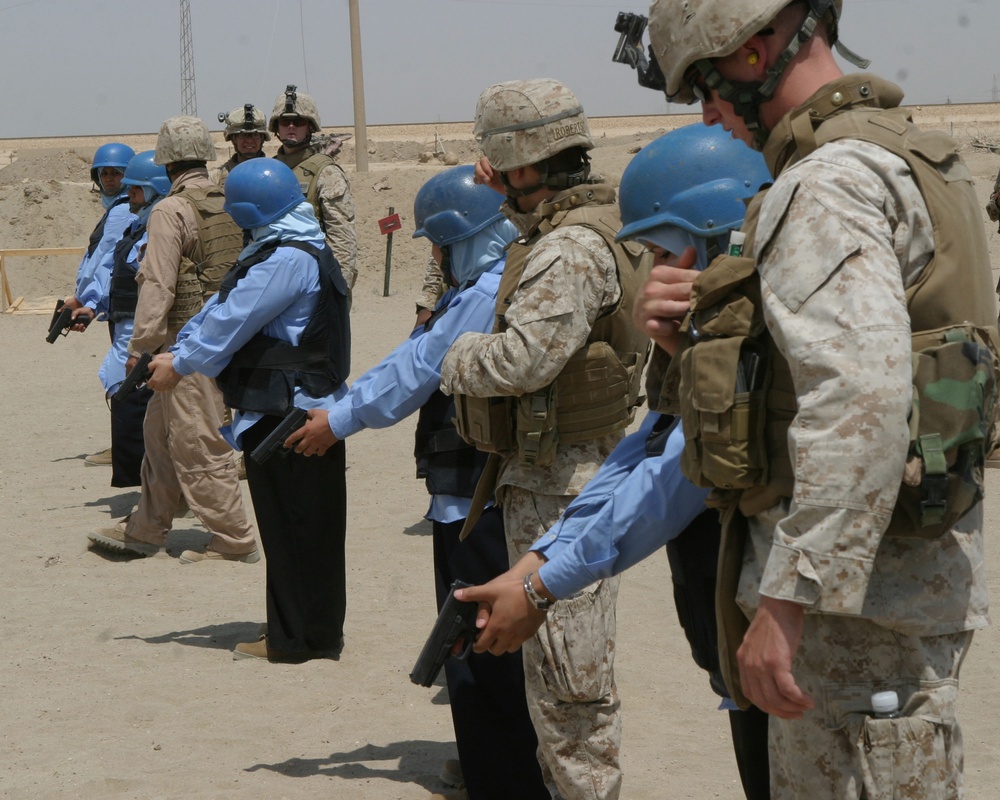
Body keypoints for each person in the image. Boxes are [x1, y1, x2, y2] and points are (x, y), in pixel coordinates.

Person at [629, 1, 996, 797]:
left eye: (708, 84)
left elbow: (857, 400)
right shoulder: (913, 156)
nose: (708, 113)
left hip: (849, 620)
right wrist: (686, 351)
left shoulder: (825, 182)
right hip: (900, 587)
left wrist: (788, 600)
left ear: (757, 51)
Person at [457, 124, 774, 800]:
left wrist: (543, 584)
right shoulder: (720, 332)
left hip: (792, 633)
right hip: (743, 623)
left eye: (663, 250)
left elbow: (666, 481)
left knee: (573, 694)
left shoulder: (767, 333)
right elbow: (651, 444)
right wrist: (544, 559)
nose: (654, 272)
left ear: (715, 232)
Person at [285, 165, 548, 800]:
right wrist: (345, 401)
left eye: (441, 242)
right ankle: (495, 760)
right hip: (469, 486)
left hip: (479, 494)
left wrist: (341, 420)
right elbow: (414, 355)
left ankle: (503, 775)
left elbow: (422, 370)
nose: (435, 255)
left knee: (479, 641)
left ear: (471, 236)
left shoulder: (488, 290)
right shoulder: (484, 283)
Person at [439, 78, 649, 800]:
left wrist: (453, 355)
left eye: (500, 166)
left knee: (570, 694)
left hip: (566, 483)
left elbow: (523, 359)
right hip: (553, 474)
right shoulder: (581, 231)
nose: (494, 181)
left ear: (527, 167)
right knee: (559, 689)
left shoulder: (568, 250)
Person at [142, 159, 351, 662]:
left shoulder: (285, 258)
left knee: (292, 531)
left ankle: (293, 641)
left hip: (286, 414)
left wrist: (182, 360)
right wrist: (182, 347)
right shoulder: (296, 247)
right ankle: (315, 634)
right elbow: (225, 308)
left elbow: (235, 318)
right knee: (312, 531)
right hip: (300, 407)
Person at [88, 116, 258, 565]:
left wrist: (140, 350)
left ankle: (233, 537)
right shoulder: (228, 198)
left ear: (164, 163)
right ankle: (147, 527)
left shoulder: (170, 210)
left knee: (195, 438)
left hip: (188, 345)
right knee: (159, 435)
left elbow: (158, 287)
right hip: (223, 335)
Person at [85, 150, 171, 488]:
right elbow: (106, 264)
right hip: (127, 322)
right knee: (128, 397)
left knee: (134, 399)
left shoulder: (155, 228)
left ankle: (150, 489)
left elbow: (157, 287)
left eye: (133, 188)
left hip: (143, 328)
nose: (124, 192)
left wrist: (142, 341)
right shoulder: (136, 221)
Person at [62, 142, 136, 467]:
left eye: (116, 172)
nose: (109, 178)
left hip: (125, 307)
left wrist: (84, 299)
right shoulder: (117, 208)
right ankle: (123, 447)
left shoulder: (122, 212)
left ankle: (129, 451)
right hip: (115, 305)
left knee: (123, 378)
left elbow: (104, 263)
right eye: (104, 172)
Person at [269, 84, 358, 291]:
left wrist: (337, 290)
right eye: (285, 122)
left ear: (310, 127)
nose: (291, 127)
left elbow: (342, 240)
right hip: (272, 278)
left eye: (298, 122)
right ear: (276, 128)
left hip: (311, 278)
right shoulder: (270, 171)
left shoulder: (326, 173)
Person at [210, 104, 270, 187]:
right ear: (233, 139)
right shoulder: (215, 179)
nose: (249, 140)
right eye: (242, 135)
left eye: (255, 135)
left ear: (262, 138)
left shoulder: (274, 174)